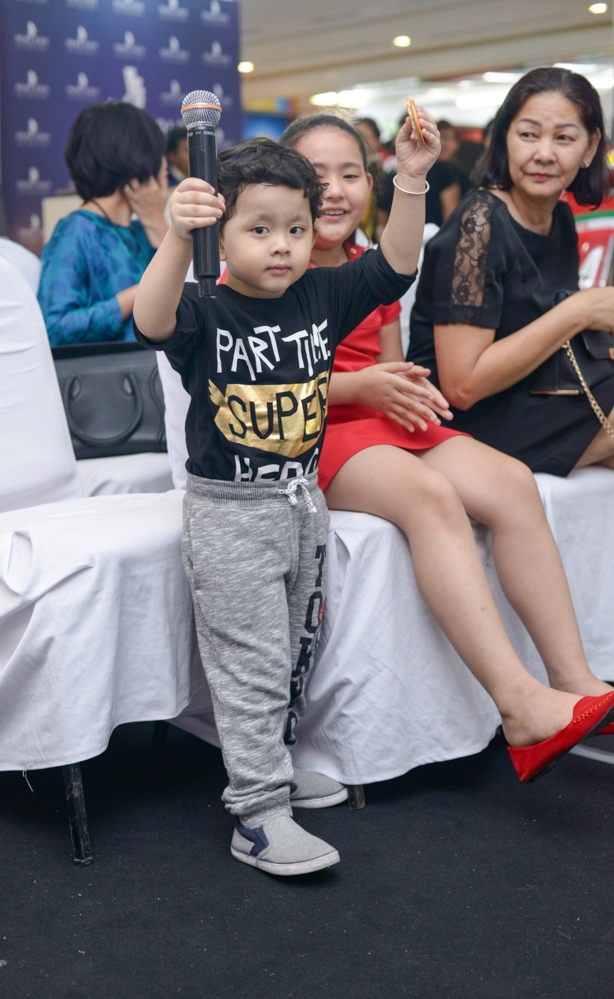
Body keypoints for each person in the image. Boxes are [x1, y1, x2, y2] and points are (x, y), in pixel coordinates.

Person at [132, 118, 439, 876]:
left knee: (297, 649)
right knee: (251, 662)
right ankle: (258, 814)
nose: (282, 246)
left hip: (300, 504)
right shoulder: (204, 307)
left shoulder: (322, 293)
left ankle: (271, 765)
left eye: (296, 229)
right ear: (221, 233)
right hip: (229, 513)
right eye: (259, 229)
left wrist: (409, 179)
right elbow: (150, 319)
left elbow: (396, 266)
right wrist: (177, 236)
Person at [279, 111, 614, 787]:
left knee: (510, 482)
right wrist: (363, 387)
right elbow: (257, 380)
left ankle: (576, 683)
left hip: (380, 414)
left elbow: (388, 360)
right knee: (430, 495)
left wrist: (402, 388)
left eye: (350, 174)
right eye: (317, 176)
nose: (336, 191)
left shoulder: (366, 268)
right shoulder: (269, 261)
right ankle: (518, 706)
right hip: (309, 427)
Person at [407, 67, 614, 475]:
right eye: (528, 135)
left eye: (564, 138)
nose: (544, 154)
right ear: (504, 138)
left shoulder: (559, 217)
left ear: (590, 148)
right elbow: (462, 386)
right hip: (470, 417)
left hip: (540, 391)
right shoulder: (478, 224)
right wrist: (579, 311)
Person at [37, 101, 169, 345]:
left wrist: (155, 220)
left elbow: (187, 298)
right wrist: (140, 293)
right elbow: (54, 327)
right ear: (136, 158)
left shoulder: (142, 231)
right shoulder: (76, 231)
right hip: (116, 368)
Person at [435, 118, 471, 198]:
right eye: (437, 137)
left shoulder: (462, 173)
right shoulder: (422, 171)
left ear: (457, 143)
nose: (442, 142)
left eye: (446, 137)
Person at [165, 124, 190, 191]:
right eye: (187, 150)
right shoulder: (165, 182)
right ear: (172, 156)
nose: (193, 155)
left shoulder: (203, 178)